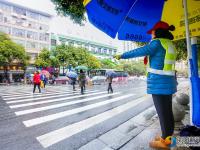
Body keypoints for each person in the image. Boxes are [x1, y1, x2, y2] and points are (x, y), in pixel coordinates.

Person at [114, 21, 177, 149]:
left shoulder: (157, 43)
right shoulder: (169, 43)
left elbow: (140, 51)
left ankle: (165, 142)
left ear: (157, 32)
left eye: (152, 32)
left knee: (163, 114)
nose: (151, 34)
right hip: (168, 83)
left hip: (158, 85)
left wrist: (122, 55)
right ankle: (168, 138)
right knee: (168, 112)